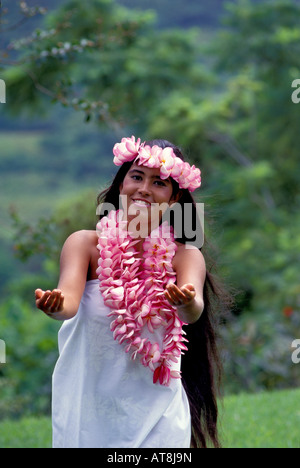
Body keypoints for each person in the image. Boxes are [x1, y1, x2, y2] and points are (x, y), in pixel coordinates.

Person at [35, 137, 227, 448]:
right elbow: (67, 303)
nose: (144, 189)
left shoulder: (185, 257)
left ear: (175, 197)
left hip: (158, 415)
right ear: (122, 183)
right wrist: (53, 305)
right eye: (136, 176)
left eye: (159, 183)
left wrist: (187, 300)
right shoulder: (85, 245)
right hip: (88, 410)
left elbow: (194, 310)